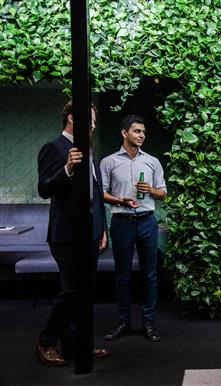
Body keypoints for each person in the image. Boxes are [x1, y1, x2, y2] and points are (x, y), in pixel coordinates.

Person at [35, 100, 109, 366]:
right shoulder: (53, 148)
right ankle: (45, 341)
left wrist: (102, 229)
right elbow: (44, 188)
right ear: (71, 118)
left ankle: (76, 347)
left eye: (94, 119)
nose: (93, 123)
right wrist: (66, 169)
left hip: (90, 234)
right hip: (66, 235)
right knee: (72, 291)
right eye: (89, 117)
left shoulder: (89, 151)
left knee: (83, 292)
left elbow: (96, 195)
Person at [100, 115, 167, 343]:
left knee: (150, 275)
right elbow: (102, 193)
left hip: (148, 221)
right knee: (123, 276)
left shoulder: (152, 161)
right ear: (124, 133)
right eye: (137, 131)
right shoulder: (108, 162)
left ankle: (149, 323)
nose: (141, 136)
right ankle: (123, 322)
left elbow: (163, 193)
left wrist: (149, 190)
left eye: (143, 132)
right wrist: (120, 201)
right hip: (122, 223)